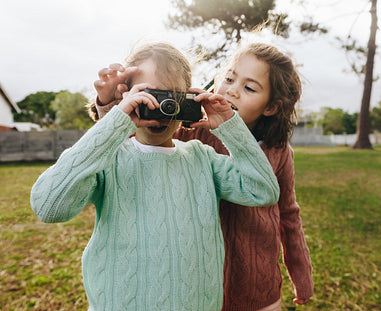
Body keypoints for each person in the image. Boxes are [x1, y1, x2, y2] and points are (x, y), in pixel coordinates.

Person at [30, 42, 280, 311]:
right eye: (148, 95)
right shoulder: (109, 158)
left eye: (171, 98)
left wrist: (230, 126)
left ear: (187, 100)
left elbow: (262, 190)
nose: (161, 107)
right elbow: (49, 206)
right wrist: (112, 123)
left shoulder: (202, 158)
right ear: (126, 96)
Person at [91, 42, 314, 311]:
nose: (232, 89)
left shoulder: (279, 151)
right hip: (201, 280)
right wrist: (110, 105)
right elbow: (139, 141)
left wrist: (301, 274)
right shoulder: (193, 134)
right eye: (229, 78)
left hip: (258, 281)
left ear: (271, 107)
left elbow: (288, 214)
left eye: (249, 87)